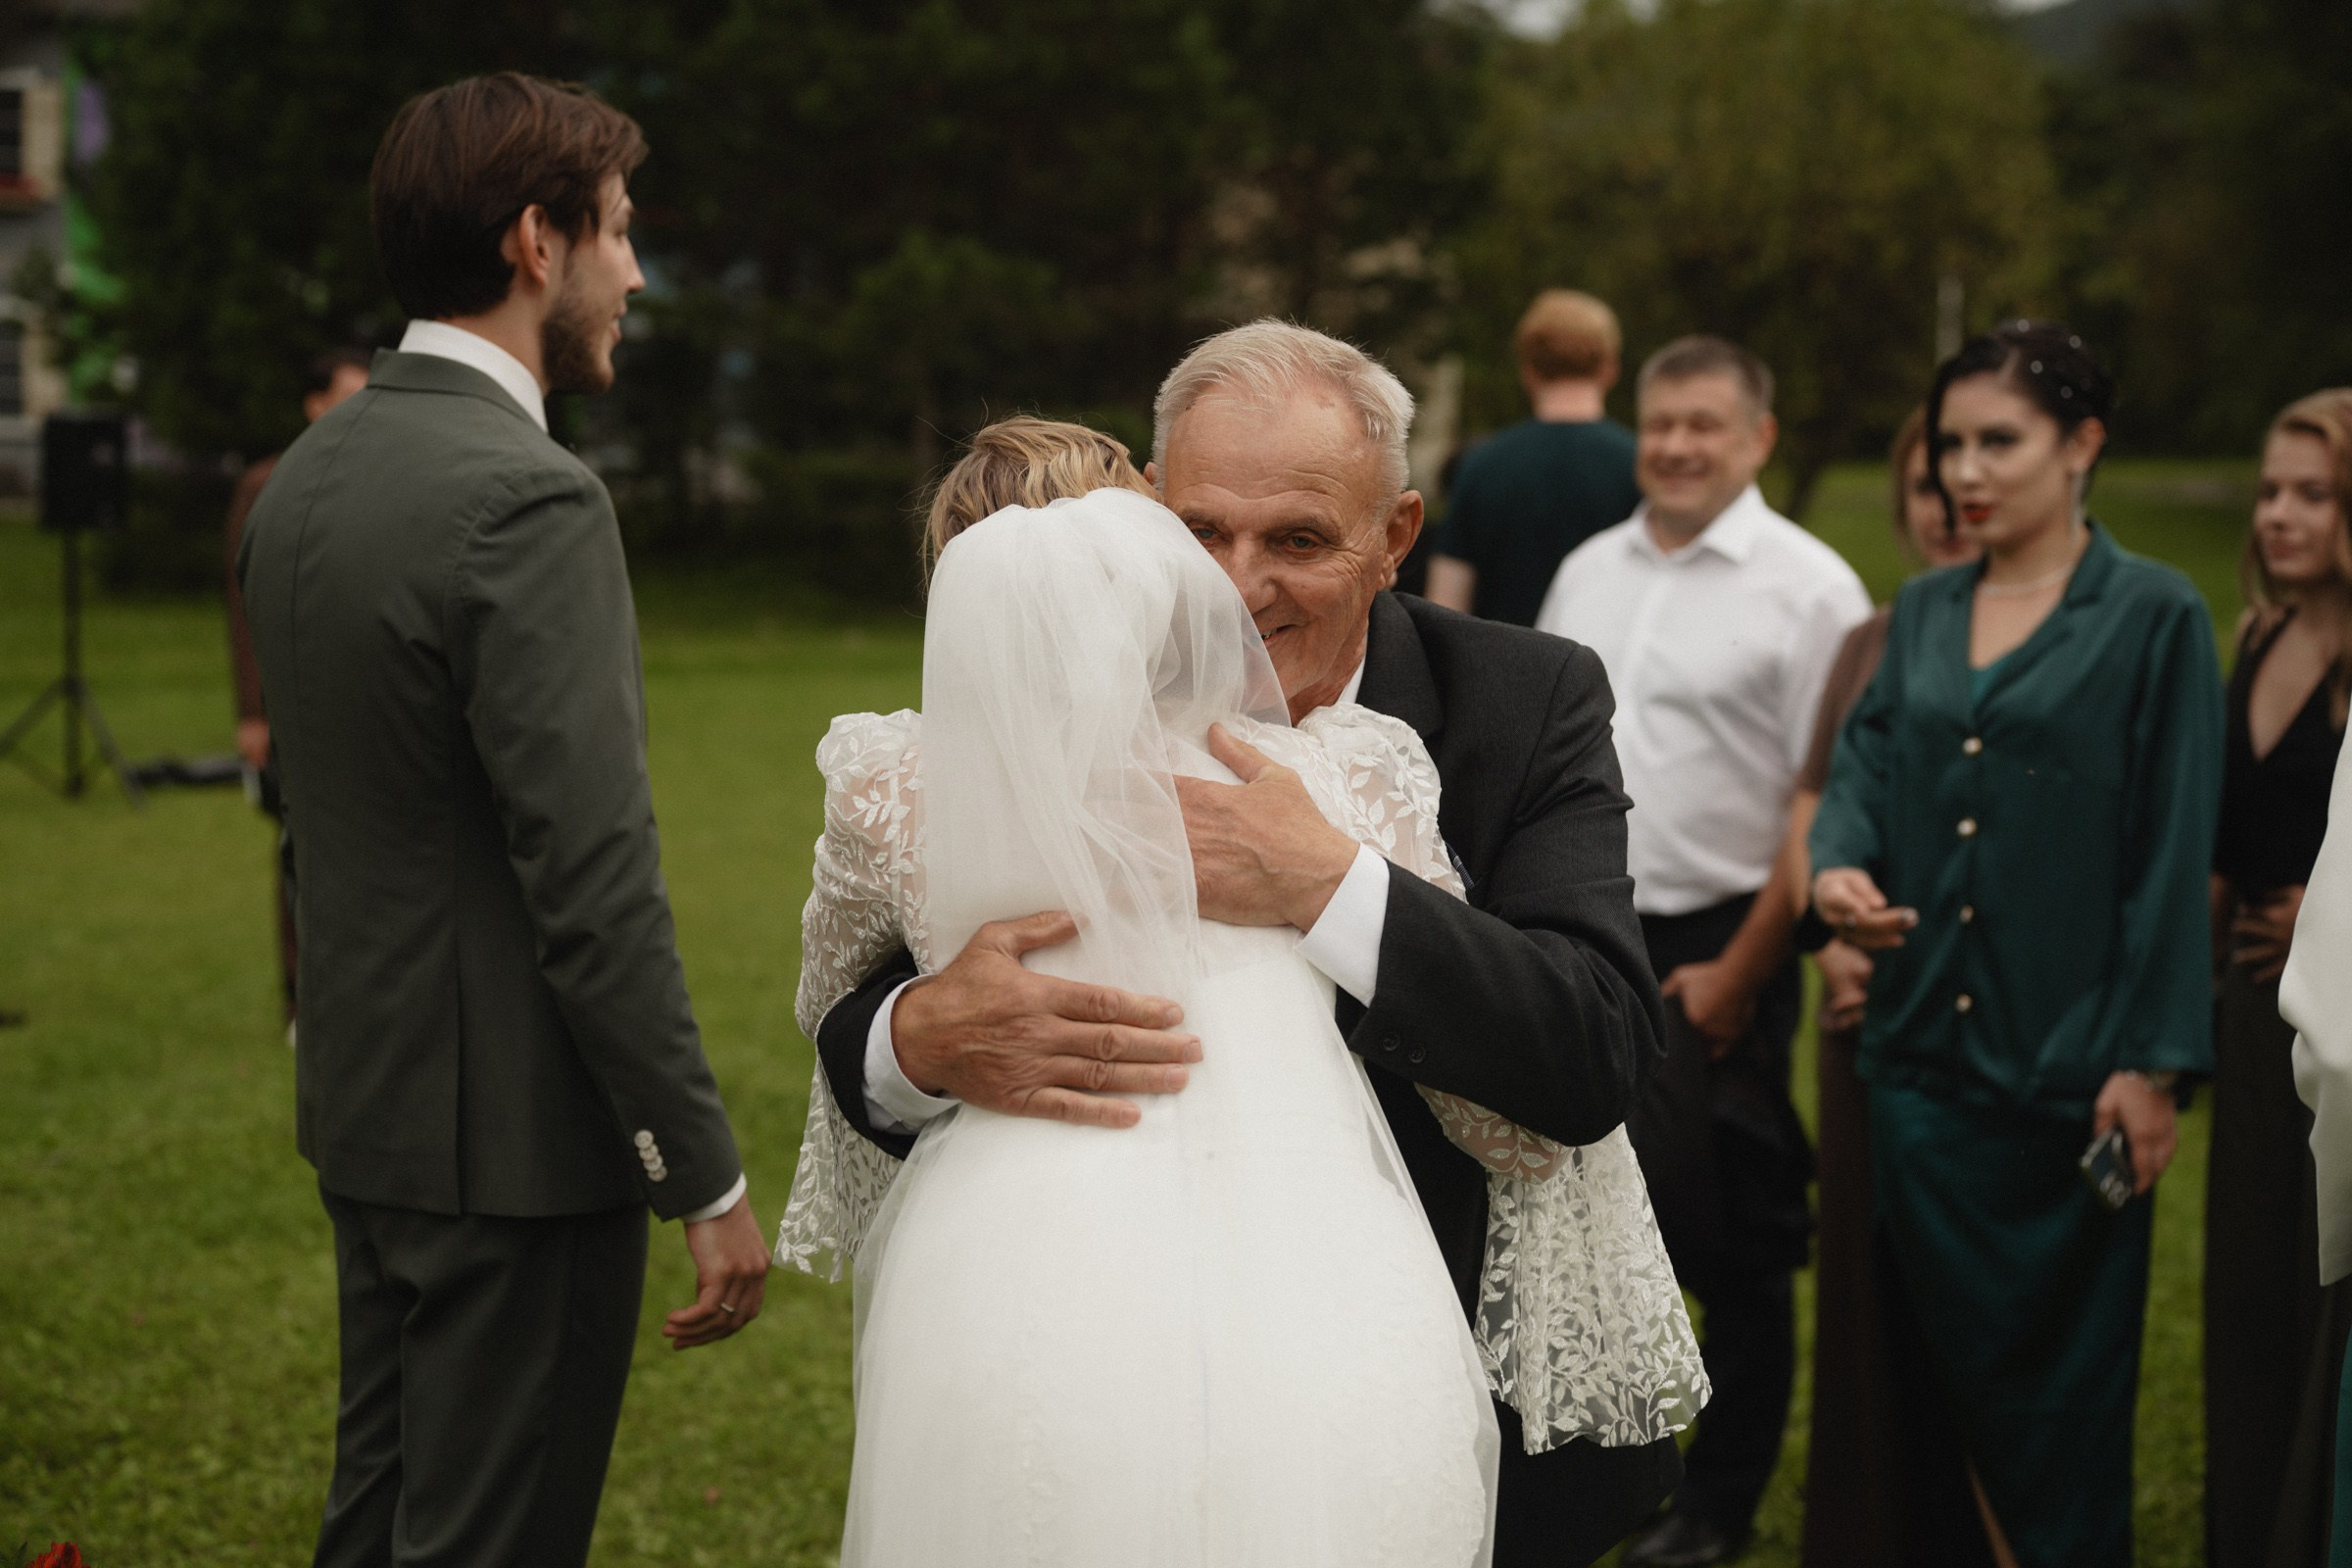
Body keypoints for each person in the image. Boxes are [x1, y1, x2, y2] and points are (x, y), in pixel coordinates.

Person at [806, 321, 1684, 1566]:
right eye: (1202, 530)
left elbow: (1594, 1047)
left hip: (1420, 1384)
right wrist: (918, 1037)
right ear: (1146, 508)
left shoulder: (1524, 700)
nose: (1237, 583)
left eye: (1300, 540)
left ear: (1398, 537)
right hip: (1082, 1367)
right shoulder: (1067, 688)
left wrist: (1327, 885)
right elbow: (870, 994)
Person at [236, 74, 769, 1567]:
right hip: (522, 1159)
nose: (636, 275)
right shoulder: (529, 501)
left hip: (370, 1117)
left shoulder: (303, 482)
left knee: (382, 1523)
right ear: (539, 242)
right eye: (620, 234)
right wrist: (703, 1175)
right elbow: (592, 883)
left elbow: (323, 817)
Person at [1811, 321, 2223, 1568]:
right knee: (1928, 1397)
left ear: (2083, 443)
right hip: (1919, 1076)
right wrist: (1838, 867)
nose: (1965, 472)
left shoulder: (2155, 615)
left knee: (2059, 1417)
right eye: (1951, 446)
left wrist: (2150, 1066)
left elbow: (2170, 845)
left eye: (2001, 441)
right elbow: (1865, 766)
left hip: (2072, 1085)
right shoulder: (1927, 607)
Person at [1536, 334, 1871, 1567]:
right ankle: (1590, 1475)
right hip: (1584, 924)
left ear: (1758, 439)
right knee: (1568, 1200)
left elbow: (1822, 800)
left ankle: (1718, 1501)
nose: (1676, 445)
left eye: (1705, 426)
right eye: (1660, 421)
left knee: (1736, 1230)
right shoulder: (1585, 570)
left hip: (1730, 936)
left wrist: (1743, 972)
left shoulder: (1812, 588)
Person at [1783, 409, 1982, 1567]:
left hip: (1991, 1025)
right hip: (1862, 1012)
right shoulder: (1869, 638)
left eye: (1966, 471)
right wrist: (1831, 942)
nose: (1947, 500)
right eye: (1923, 479)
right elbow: (1812, 805)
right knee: (1864, 1297)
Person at [2208, 388, 2352, 1568]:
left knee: (2319, 1293)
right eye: (2270, 490)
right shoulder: (2257, 635)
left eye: (2315, 492)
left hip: (2342, 1024)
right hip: (2250, 1016)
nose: (2282, 514)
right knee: (2249, 1291)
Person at [221, 346, 371, 1027]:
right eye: (349, 395)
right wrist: (254, 711)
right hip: (294, 705)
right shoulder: (268, 483)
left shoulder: (383, 478)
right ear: (314, 405)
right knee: (299, 850)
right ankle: (298, 998)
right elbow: (244, 603)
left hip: (367, 702)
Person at [1425, 290, 1642, 626]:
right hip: (1609, 670)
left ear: (1528, 370)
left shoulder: (1481, 465)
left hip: (1502, 669)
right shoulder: (1642, 464)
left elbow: (1445, 606)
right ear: (1610, 369)